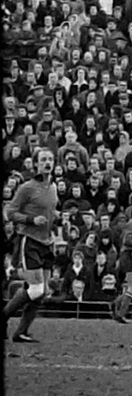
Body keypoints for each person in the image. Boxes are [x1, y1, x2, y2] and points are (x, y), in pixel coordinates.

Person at [3, 147, 59, 343]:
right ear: (35, 164)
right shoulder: (27, 187)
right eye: (43, 159)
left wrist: (56, 216)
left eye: (50, 159)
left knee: (41, 293)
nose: (47, 163)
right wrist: (31, 220)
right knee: (36, 289)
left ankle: (21, 332)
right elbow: (10, 212)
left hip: (47, 242)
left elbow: (49, 209)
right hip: (30, 241)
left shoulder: (53, 187)